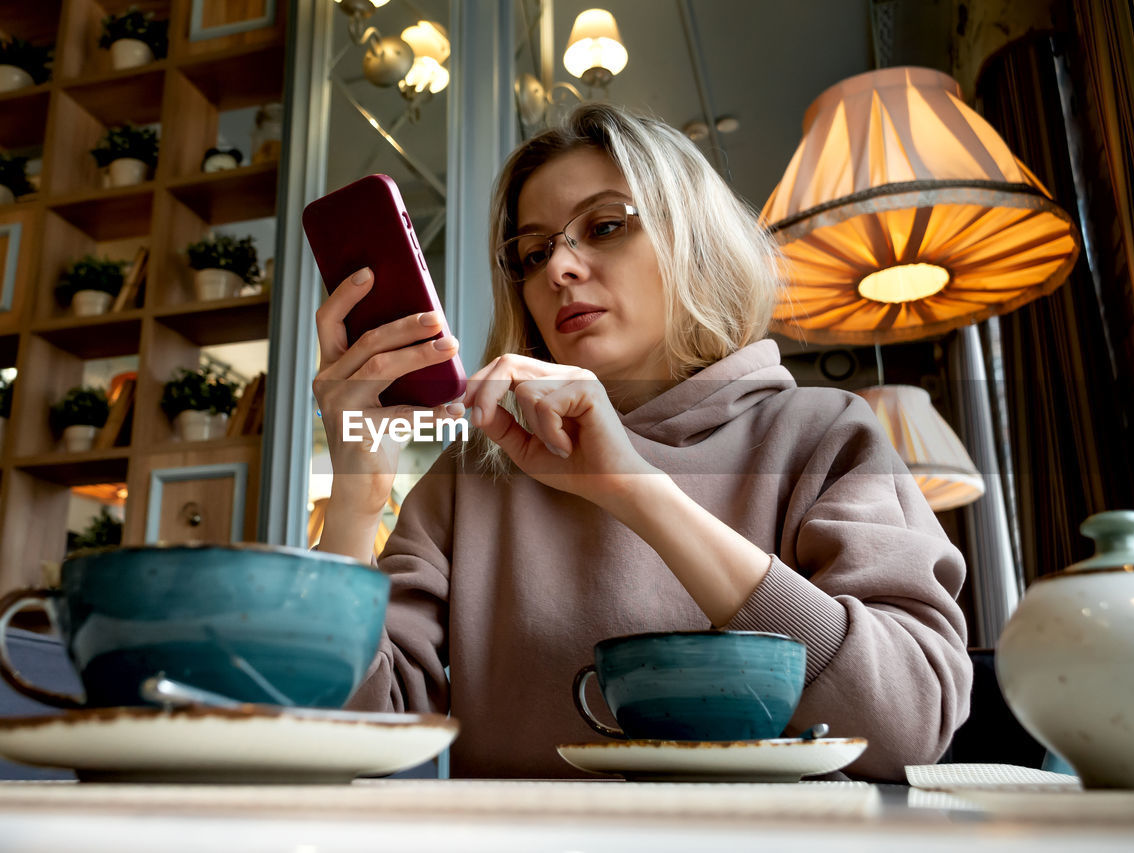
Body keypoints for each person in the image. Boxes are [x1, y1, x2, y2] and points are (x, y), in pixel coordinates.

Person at [311, 102, 972, 781]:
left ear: (696, 239)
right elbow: (346, 735)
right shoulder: (473, 475)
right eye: (533, 252)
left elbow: (908, 721)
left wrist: (637, 491)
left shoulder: (826, 434)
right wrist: (356, 496)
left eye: (603, 226)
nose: (558, 269)